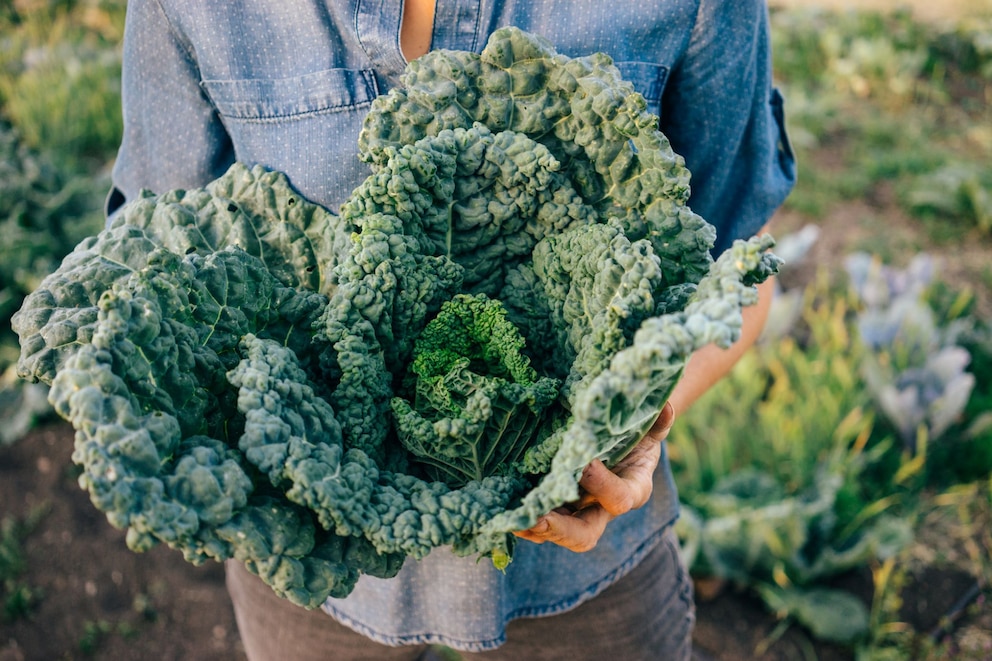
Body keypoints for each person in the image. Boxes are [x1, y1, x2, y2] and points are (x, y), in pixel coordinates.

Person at [108, 1, 795, 659]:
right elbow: (153, 262)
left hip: (580, 562)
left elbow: (738, 268)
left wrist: (634, 427)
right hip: (321, 557)